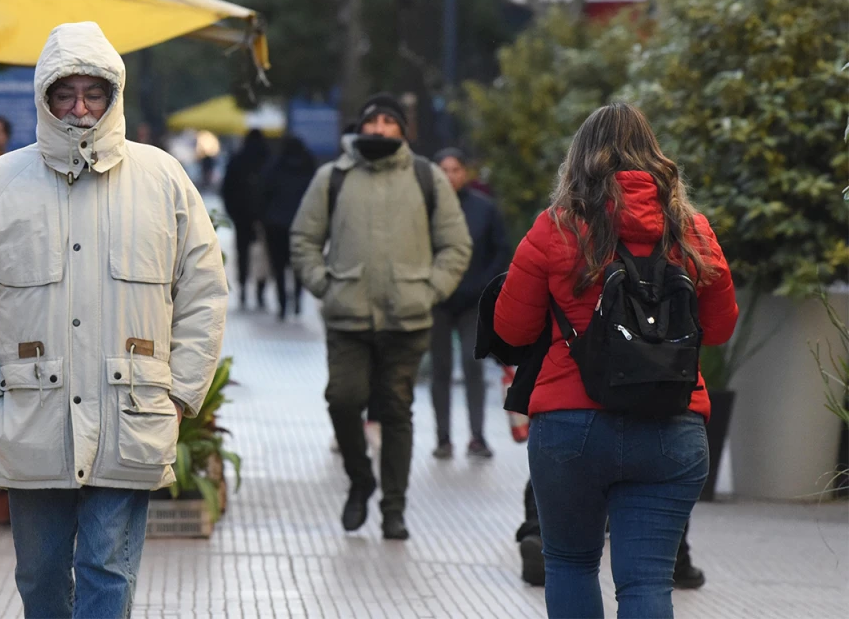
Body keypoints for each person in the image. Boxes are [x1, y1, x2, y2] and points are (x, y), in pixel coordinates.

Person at [0, 22, 228, 619]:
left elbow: (203, 290)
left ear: (114, 95)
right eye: (64, 95)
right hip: (31, 417)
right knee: (39, 576)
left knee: (107, 570)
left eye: (93, 94)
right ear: (43, 98)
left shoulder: (162, 178)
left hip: (132, 413)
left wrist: (177, 395)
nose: (79, 109)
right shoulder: (0, 182)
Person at [494, 103, 738, 618]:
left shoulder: (555, 229)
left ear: (578, 161)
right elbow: (719, 329)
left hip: (570, 424)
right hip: (672, 425)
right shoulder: (692, 233)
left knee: (570, 563)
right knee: (648, 581)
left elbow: (511, 330)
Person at [292, 92, 472, 540]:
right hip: (347, 316)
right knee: (343, 399)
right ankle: (360, 479)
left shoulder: (427, 177)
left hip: (407, 318)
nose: (381, 129)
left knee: (395, 412)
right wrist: (325, 285)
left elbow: (456, 244)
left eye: (391, 122)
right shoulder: (332, 177)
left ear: (403, 131)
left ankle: (394, 507)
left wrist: (431, 289)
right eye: (373, 121)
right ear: (360, 128)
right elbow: (303, 239)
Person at [428, 148, 511, 460]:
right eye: (443, 170)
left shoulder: (484, 209)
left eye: (455, 170)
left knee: (472, 364)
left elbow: (500, 250)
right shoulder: (425, 209)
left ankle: (477, 436)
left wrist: (486, 285)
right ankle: (443, 438)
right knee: (440, 369)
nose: (450, 176)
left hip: (473, 301)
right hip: (437, 299)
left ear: (465, 173)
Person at [515, 478, 707, 589]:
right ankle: (673, 560)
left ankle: (540, 532)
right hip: (650, 426)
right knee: (646, 577)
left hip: (574, 421)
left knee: (555, 457)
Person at [260, 135, 318, 320]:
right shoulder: (309, 168)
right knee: (299, 266)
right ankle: (298, 302)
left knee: (279, 268)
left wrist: (263, 218)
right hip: (302, 225)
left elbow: (263, 193)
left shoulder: (274, 166)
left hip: (275, 224)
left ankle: (282, 303)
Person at [220, 129, 271, 310]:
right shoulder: (268, 158)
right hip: (264, 218)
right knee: (263, 255)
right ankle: (260, 291)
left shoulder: (237, 159)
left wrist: (233, 212)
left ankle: (242, 291)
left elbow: (226, 189)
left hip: (241, 216)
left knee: (242, 253)